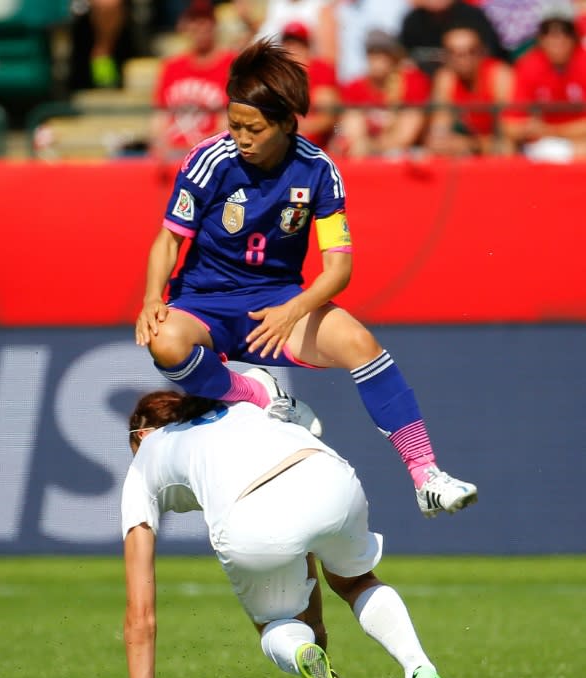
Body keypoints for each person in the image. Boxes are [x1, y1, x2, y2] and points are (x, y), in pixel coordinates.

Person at [135, 38, 478, 516]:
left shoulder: (318, 171)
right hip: (204, 304)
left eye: (253, 128)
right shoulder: (209, 160)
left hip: (278, 303)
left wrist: (292, 309)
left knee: (361, 344)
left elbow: (339, 269)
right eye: (234, 125)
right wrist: (153, 297)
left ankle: (426, 476)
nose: (241, 137)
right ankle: (255, 393)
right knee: (164, 342)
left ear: (285, 123)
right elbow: (168, 240)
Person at [94, 386, 458, 678]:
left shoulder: (145, 458)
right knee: (357, 582)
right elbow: (303, 535)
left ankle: (300, 651)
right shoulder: (240, 402)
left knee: (276, 622)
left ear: (140, 434)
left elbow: (140, 614)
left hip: (251, 514)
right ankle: (421, 669)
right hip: (328, 476)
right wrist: (316, 623)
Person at [150, 0, 236, 159]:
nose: (201, 27)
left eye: (206, 21)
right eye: (195, 21)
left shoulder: (230, 64)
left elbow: (229, 119)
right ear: (186, 26)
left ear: (214, 25)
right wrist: (159, 146)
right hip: (172, 153)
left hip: (212, 153)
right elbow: (160, 115)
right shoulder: (172, 66)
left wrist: (202, 150)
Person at [501, 9, 586, 160]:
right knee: (503, 147)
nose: (558, 41)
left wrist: (552, 130)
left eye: (565, 33)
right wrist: (528, 129)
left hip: (577, 142)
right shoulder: (528, 65)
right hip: (540, 145)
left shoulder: (583, 62)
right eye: (549, 34)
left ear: (574, 37)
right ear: (540, 39)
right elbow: (510, 125)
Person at [337, 29, 430, 157]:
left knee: (410, 114)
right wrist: (341, 137)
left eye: (382, 53)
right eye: (372, 53)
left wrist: (375, 146)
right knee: (352, 118)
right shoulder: (354, 86)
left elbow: (412, 125)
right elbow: (339, 125)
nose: (377, 59)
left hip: (404, 151)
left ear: (393, 56)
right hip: (362, 148)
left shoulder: (412, 80)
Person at [425, 23, 514, 156]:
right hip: (477, 144)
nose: (464, 59)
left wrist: (472, 145)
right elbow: (439, 128)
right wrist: (442, 141)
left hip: (504, 145)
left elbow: (509, 138)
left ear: (482, 52)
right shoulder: (446, 78)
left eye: (471, 51)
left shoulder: (499, 75)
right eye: (455, 53)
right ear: (446, 56)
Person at [400, 0, 508, 78]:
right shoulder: (412, 20)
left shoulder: (472, 16)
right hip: (426, 89)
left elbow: (493, 56)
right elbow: (404, 58)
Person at [316, 0, 412, 84]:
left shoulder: (392, 5)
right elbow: (328, 55)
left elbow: (397, 49)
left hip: (385, 84)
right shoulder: (334, 9)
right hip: (348, 86)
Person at [280, 21, 340, 150]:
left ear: (307, 47)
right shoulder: (277, 74)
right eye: (289, 44)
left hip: (323, 139)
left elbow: (329, 117)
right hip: (286, 138)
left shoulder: (321, 69)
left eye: (299, 44)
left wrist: (296, 128)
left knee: (341, 129)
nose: (293, 49)